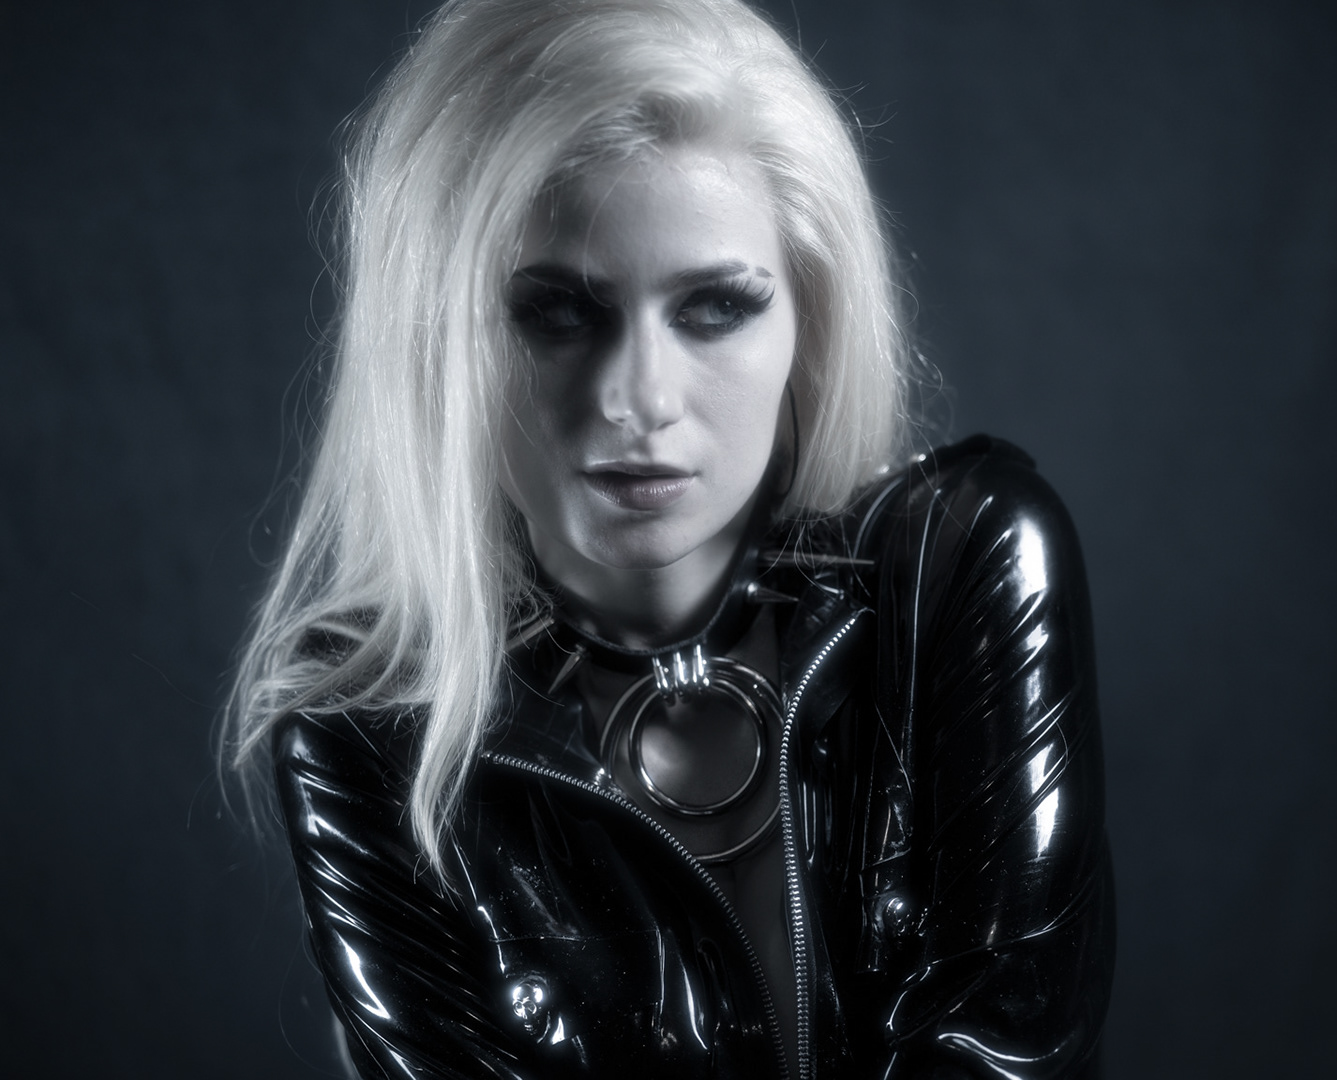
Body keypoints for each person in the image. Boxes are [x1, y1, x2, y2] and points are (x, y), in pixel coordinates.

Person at [222, 0, 1114, 1076]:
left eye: (714, 308)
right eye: (558, 313)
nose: (639, 399)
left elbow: (1009, 1050)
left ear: (809, 321)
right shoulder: (367, 721)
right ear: (438, 344)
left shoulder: (959, 565)